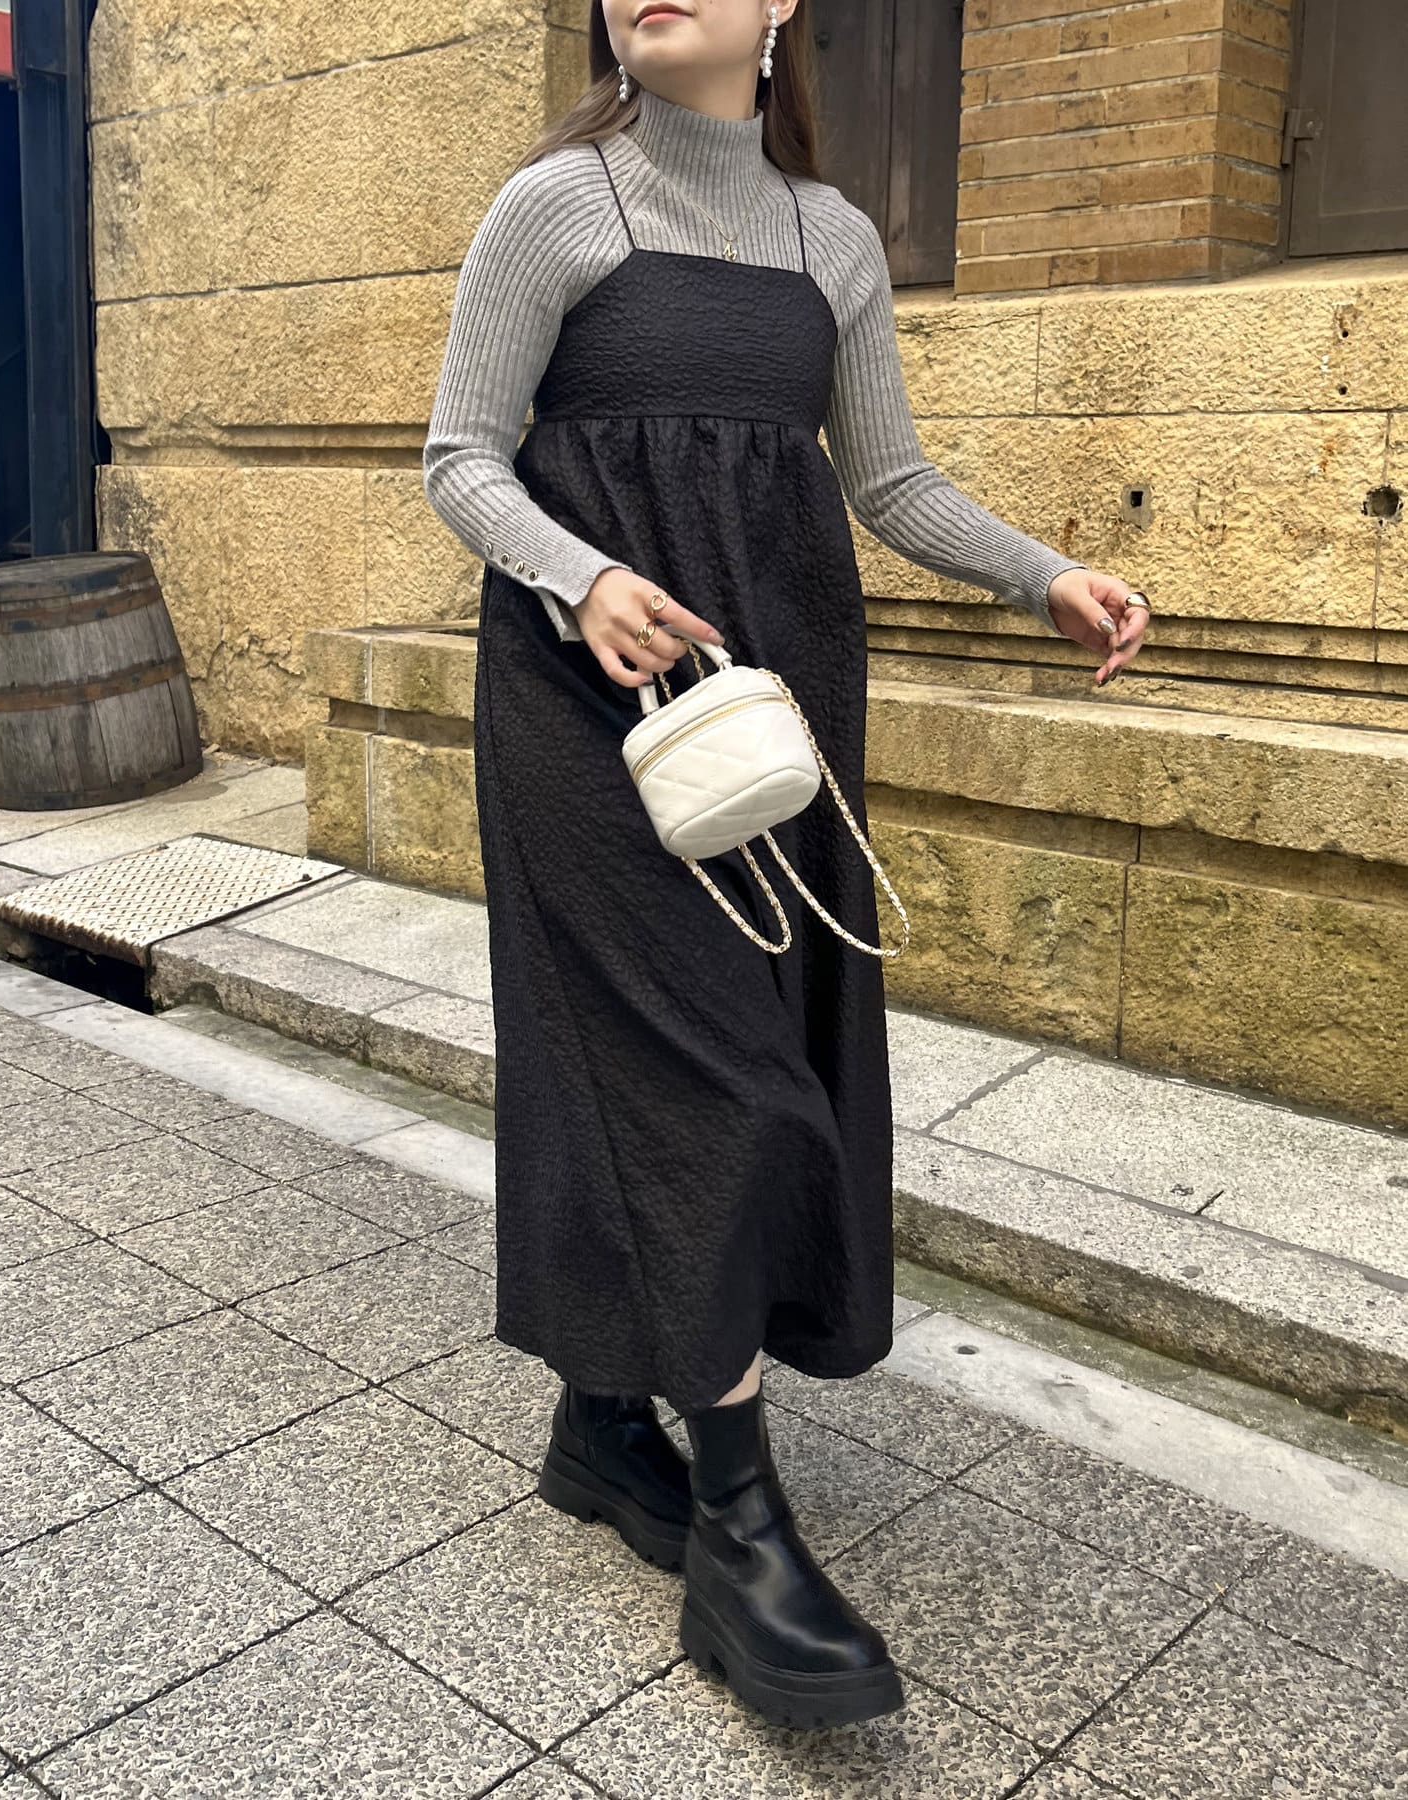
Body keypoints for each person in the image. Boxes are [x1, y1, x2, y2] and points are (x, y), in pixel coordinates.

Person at [421, 0, 1149, 1732]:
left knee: (757, 1047)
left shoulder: (833, 238)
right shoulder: (558, 202)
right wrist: (580, 577)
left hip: (779, 705)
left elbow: (886, 478)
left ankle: (606, 1422)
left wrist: (1041, 574)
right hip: (587, 710)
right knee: (709, 1082)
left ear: (783, 9)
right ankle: (742, 1533)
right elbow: (460, 457)